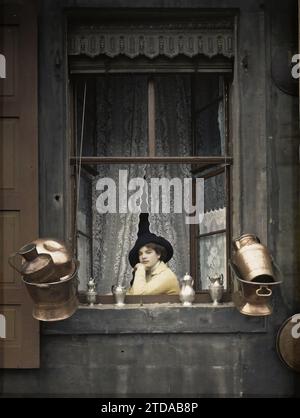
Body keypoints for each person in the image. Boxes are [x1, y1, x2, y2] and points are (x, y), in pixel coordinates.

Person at [127, 214, 180, 295]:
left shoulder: (166, 276)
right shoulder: (147, 274)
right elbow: (130, 295)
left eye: (148, 252)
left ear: (158, 254)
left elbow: (138, 297)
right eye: (140, 254)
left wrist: (140, 268)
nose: (143, 257)